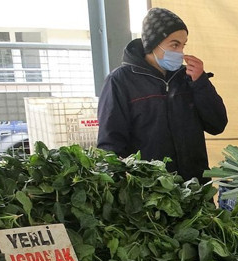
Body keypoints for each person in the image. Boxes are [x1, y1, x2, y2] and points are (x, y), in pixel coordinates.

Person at [97, 7, 228, 183]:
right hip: (151, 193)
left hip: (195, 186)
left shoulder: (188, 77)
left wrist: (201, 83)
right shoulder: (120, 81)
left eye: (183, 45)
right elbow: (110, 144)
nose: (181, 52)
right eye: (174, 44)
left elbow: (217, 124)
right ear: (152, 44)